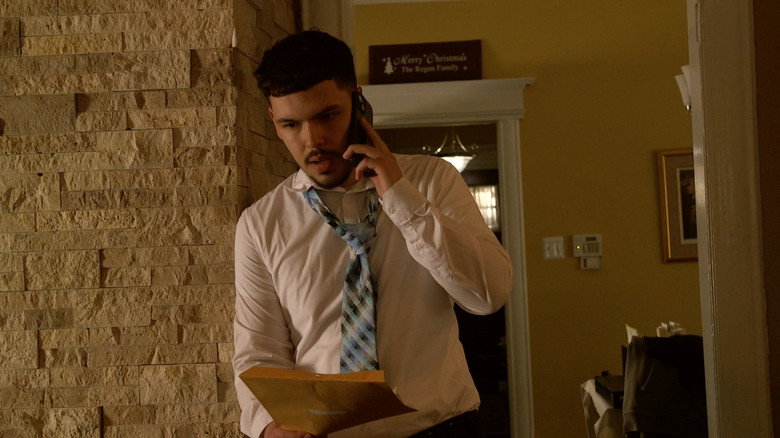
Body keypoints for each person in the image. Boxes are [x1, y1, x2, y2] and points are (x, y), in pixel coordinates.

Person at [233, 30, 512, 438]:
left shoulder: (432, 182)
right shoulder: (261, 224)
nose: (312, 141)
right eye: (292, 124)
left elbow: (488, 296)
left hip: (442, 429)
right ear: (274, 122)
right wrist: (269, 426)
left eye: (327, 116)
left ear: (358, 103)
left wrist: (402, 198)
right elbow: (259, 350)